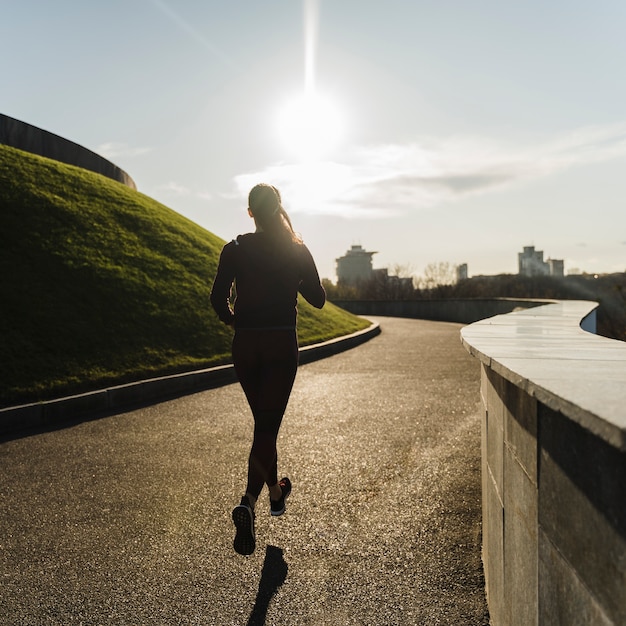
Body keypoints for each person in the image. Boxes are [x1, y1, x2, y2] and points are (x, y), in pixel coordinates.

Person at [210, 183, 326, 555]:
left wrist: (236, 322)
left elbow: (217, 298)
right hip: (279, 344)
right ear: (278, 209)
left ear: (250, 214)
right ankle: (248, 501)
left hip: (246, 346)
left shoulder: (235, 249)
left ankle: (276, 493)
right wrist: (299, 269)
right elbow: (318, 300)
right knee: (266, 426)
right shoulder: (295, 249)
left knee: (265, 424)